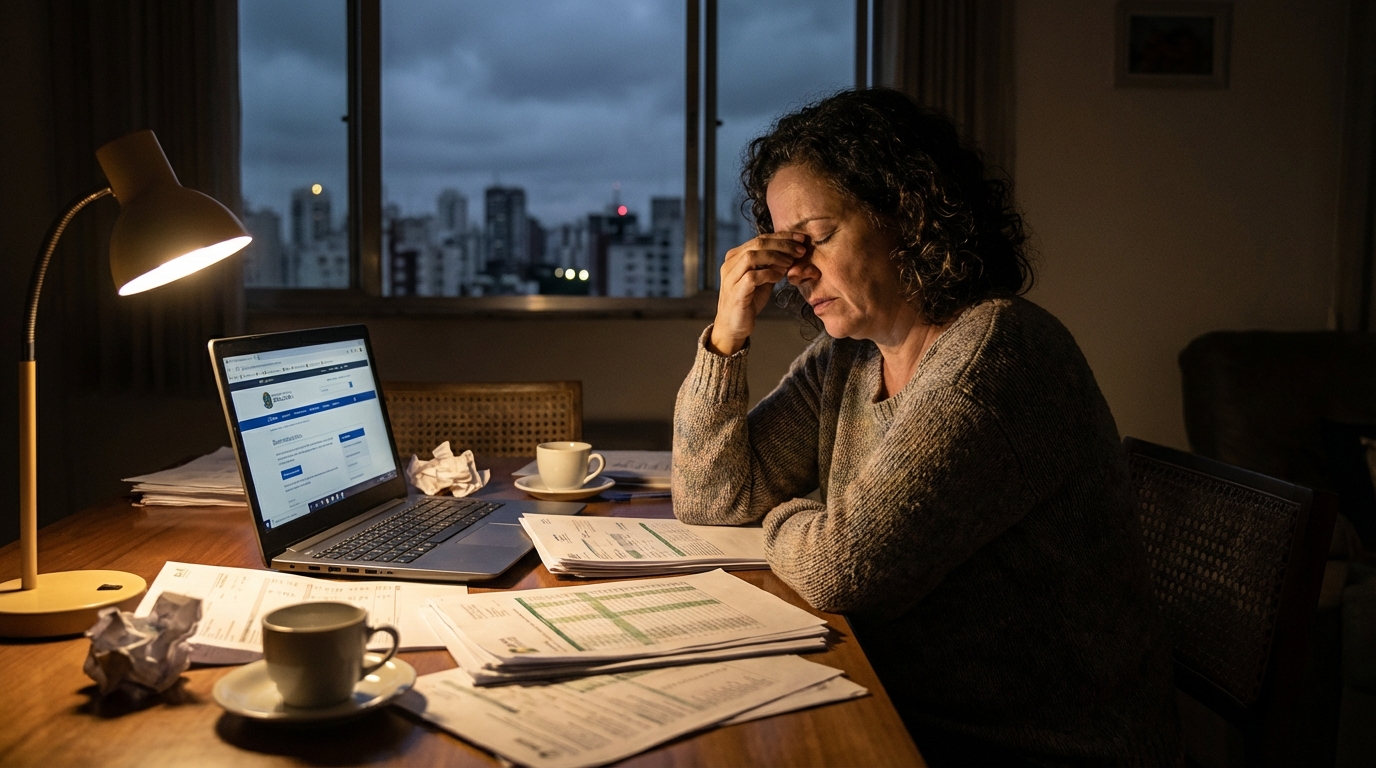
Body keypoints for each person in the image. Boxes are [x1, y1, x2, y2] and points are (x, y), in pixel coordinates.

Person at [671, 88, 1181, 766]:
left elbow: (839, 568)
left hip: (1043, 745)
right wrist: (726, 337)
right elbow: (711, 499)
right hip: (909, 711)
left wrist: (797, 517)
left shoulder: (999, 354)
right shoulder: (848, 357)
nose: (795, 271)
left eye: (816, 238)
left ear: (907, 214)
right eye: (785, 247)